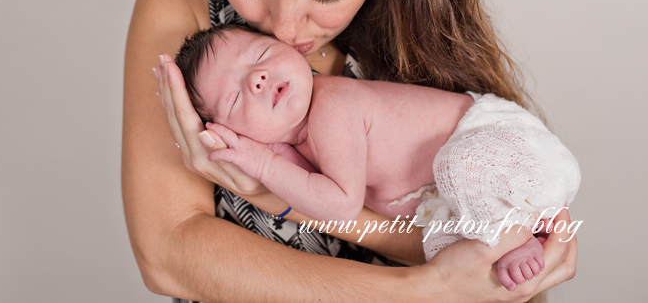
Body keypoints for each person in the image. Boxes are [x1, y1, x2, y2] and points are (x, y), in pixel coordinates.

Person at [123, 0, 578, 301]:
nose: (285, 28)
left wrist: (274, 194)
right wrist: (426, 288)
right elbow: (168, 257)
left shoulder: (414, 14)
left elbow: (476, 251)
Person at [171, 24, 581, 292]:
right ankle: (512, 230)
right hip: (464, 196)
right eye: (237, 96)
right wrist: (270, 156)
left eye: (260, 55)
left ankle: (515, 236)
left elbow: (342, 205)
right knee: (441, 245)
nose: (257, 78)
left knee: (461, 168)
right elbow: (308, 192)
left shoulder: (332, 103)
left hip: (498, 144)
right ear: (232, 133)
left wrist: (262, 165)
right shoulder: (298, 145)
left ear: (294, 49)